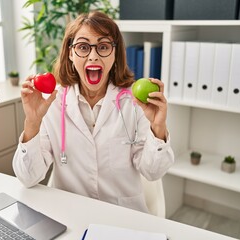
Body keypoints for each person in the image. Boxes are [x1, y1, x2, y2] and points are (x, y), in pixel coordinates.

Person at [12, 11, 174, 213]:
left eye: (104, 46)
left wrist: (158, 128)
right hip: (70, 215)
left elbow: (153, 172)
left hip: (122, 216)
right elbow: (28, 178)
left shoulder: (135, 103)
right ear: (70, 53)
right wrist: (32, 123)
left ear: (115, 54)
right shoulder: (52, 103)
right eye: (82, 47)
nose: (93, 55)